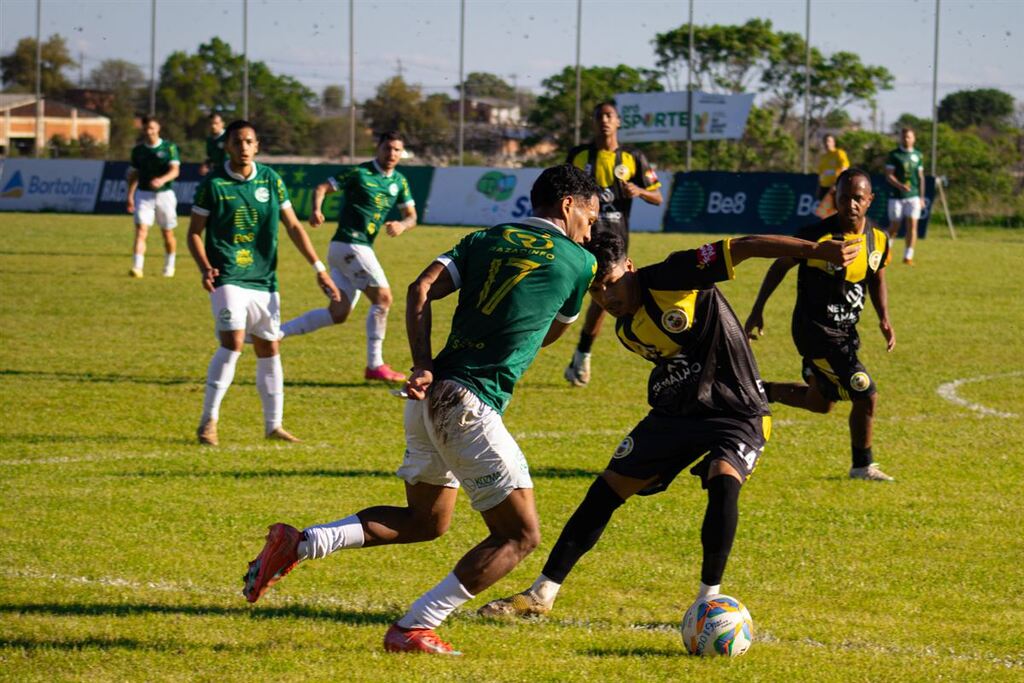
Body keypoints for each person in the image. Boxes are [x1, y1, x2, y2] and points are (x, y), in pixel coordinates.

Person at [241, 165, 602, 656]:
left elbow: (420, 287)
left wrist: (422, 363)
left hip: (428, 395)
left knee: (426, 522)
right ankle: (416, 625)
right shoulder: (580, 261)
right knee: (520, 536)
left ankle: (298, 544)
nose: (593, 224)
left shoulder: (485, 237)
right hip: (467, 404)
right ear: (567, 206)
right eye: (591, 211)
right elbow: (554, 330)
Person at [479, 229, 858, 621]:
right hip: (678, 413)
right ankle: (542, 594)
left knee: (722, 480)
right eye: (596, 292)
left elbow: (744, 246)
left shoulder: (675, 274)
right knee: (604, 492)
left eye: (610, 284)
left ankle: (707, 600)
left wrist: (815, 250)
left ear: (630, 267)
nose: (606, 298)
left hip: (738, 411)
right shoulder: (627, 329)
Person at [187, 119, 340, 446]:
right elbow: (193, 234)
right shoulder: (213, 184)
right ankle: (208, 422)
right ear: (227, 146)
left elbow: (294, 228)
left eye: (249, 142)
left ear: (257, 146)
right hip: (227, 275)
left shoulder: (271, 180)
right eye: (237, 142)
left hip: (264, 280)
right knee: (233, 341)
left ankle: (274, 426)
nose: (243, 147)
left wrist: (319, 268)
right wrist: (204, 267)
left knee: (269, 346)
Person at [744, 168, 897, 481]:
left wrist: (884, 318)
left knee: (821, 403)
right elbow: (779, 265)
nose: (851, 204)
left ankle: (759, 391)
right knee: (866, 393)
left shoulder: (878, 240)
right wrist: (758, 309)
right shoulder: (816, 236)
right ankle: (861, 466)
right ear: (835, 199)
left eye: (858, 198)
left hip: (846, 333)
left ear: (870, 200)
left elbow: (877, 275)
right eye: (844, 197)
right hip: (815, 330)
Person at [280, 131, 417, 382]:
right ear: (378, 148)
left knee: (338, 312)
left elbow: (412, 215)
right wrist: (315, 210)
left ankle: (275, 335)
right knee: (383, 298)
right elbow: (321, 187)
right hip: (350, 243)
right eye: (388, 148)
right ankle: (375, 365)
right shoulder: (359, 173)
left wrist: (402, 225)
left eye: (397, 150)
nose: (392, 154)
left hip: (349, 249)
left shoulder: (400, 181)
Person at [563, 101, 662, 388]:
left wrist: (639, 191)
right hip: (582, 238)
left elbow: (658, 197)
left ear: (618, 122)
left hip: (616, 243)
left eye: (609, 116)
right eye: (599, 117)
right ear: (593, 122)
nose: (604, 121)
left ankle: (582, 356)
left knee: (605, 298)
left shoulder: (633, 158)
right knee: (565, 293)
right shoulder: (579, 155)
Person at [127, 116, 180, 278]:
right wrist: (130, 195)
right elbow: (134, 175)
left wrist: (162, 179)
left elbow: (175, 171)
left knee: (167, 233)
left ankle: (169, 265)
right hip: (143, 195)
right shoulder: (138, 151)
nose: (149, 131)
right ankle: (137, 267)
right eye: (146, 129)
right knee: (141, 230)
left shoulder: (169, 148)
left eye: (152, 128)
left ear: (158, 129)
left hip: (165, 195)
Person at [885, 127, 926, 265]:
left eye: (908, 137)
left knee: (912, 226)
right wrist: (900, 186)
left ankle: (908, 256)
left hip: (913, 196)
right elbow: (889, 175)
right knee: (895, 226)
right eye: (903, 137)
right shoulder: (894, 155)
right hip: (896, 196)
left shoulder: (918, 155)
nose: (906, 139)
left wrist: (921, 197)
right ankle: (885, 251)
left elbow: (920, 177)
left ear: (914, 138)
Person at [815, 133, 850, 217]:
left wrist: (837, 183)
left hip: (835, 187)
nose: (827, 143)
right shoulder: (823, 157)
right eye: (825, 141)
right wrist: (819, 187)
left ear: (833, 142)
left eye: (829, 141)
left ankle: (838, 229)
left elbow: (844, 167)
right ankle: (828, 229)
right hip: (824, 187)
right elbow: (821, 174)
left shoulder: (839, 153)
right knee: (824, 213)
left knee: (836, 210)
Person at [199, 112, 226, 177]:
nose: (213, 126)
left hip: (230, 174)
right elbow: (210, 157)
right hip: (216, 173)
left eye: (216, 123)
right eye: (211, 123)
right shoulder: (209, 140)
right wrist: (205, 165)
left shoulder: (229, 137)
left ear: (222, 124)